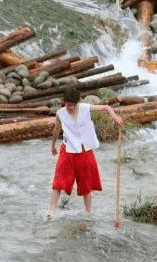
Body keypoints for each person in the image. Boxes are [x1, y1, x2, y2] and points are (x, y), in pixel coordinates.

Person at [48, 86, 124, 218]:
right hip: (68, 150)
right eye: (67, 104)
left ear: (77, 102)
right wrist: (53, 145)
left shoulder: (85, 108)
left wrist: (116, 117)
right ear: (64, 102)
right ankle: (51, 212)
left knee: (86, 185)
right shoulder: (60, 113)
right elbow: (56, 129)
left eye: (72, 105)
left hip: (85, 150)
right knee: (58, 182)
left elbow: (106, 108)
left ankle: (88, 213)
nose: (70, 107)